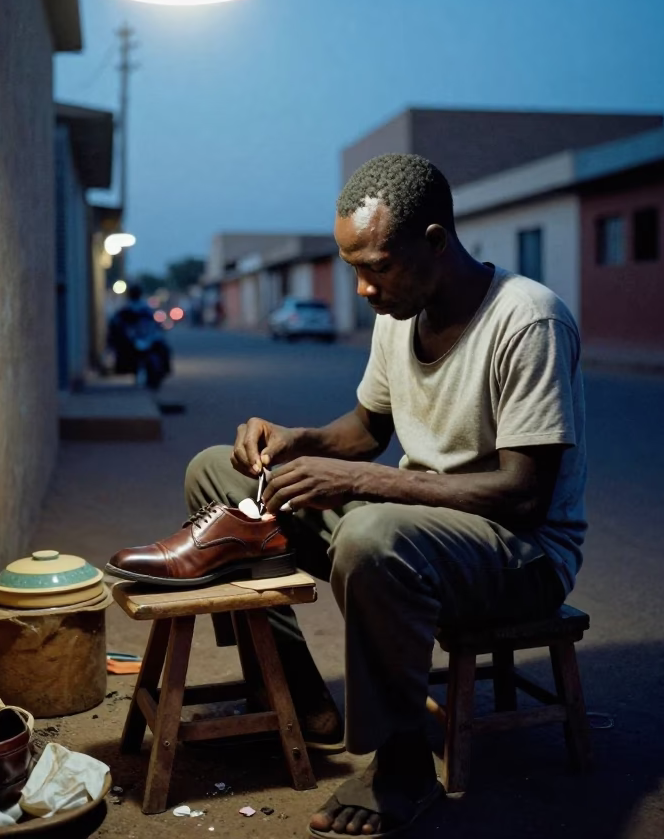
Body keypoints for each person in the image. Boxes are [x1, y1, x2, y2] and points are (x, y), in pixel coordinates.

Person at [182, 152, 586, 837]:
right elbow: (369, 430)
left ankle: (402, 768)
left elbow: (524, 495)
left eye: (375, 266)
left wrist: (363, 483)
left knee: (373, 538)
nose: (363, 288)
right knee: (215, 470)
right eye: (353, 269)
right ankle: (301, 701)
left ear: (435, 241)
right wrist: (297, 440)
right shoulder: (399, 310)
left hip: (521, 552)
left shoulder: (530, 321)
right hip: (416, 521)